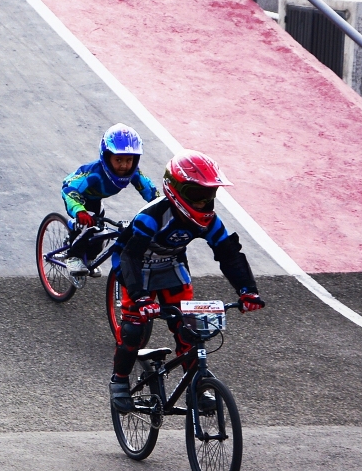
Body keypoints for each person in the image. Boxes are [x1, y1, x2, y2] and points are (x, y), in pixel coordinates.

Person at [111, 152, 265, 412]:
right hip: (134, 266)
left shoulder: (210, 221)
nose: (205, 203)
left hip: (171, 265)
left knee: (190, 330)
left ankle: (197, 387)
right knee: (133, 331)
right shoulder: (151, 217)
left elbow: (229, 254)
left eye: (210, 195)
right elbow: (130, 257)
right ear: (175, 190)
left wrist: (248, 291)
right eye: (197, 194)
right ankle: (120, 381)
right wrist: (140, 298)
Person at [61, 124, 159, 274]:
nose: (124, 166)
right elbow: (69, 189)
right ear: (106, 156)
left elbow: (151, 193)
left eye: (129, 160)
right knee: (88, 227)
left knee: (101, 235)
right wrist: (79, 210)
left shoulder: (134, 174)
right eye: (118, 159)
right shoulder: (94, 173)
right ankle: (72, 256)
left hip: (96, 200)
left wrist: (162, 208)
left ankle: (89, 259)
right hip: (78, 197)